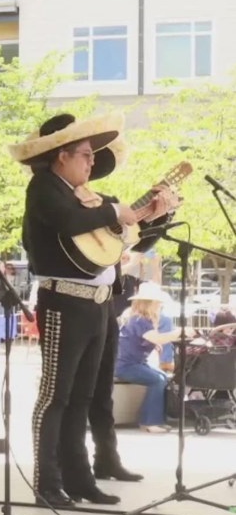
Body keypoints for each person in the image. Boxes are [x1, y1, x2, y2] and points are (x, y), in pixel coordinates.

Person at [10, 112, 175, 508]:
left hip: (96, 304)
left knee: (82, 397)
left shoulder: (86, 197)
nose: (90, 161)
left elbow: (118, 242)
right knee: (55, 397)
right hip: (64, 301)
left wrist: (154, 215)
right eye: (84, 154)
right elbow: (69, 223)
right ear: (61, 157)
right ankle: (47, 481)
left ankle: (79, 478)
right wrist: (117, 212)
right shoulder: (45, 188)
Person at [81, 140, 174, 484]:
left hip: (106, 301)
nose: (90, 164)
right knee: (72, 394)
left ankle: (106, 459)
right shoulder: (66, 204)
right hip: (72, 301)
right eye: (85, 156)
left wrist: (161, 213)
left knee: (102, 392)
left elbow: (138, 242)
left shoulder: (104, 203)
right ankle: (66, 465)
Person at [116, 282, 182, 432]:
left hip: (134, 363)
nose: (160, 306)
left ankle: (152, 419)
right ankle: (150, 421)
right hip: (126, 365)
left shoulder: (140, 319)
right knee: (157, 380)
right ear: (149, 304)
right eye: (157, 303)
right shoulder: (140, 320)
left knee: (163, 377)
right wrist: (179, 332)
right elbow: (157, 338)